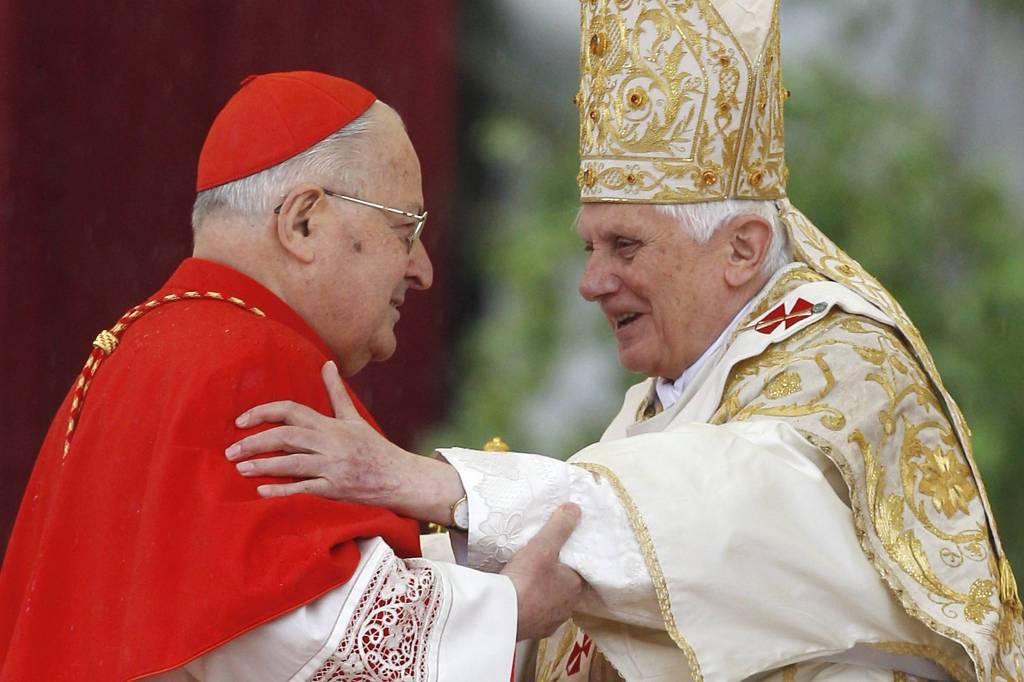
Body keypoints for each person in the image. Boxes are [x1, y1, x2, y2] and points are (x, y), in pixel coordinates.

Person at [223, 5, 1024, 682]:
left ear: (742, 249)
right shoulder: (664, 397)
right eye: (588, 248)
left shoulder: (844, 360)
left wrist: (427, 482)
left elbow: (721, 512)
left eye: (625, 247)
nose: (591, 281)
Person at [0, 70, 583, 681]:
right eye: (404, 229)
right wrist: (504, 610)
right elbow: (298, 635)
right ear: (304, 222)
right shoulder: (242, 363)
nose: (423, 269)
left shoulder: (150, 348)